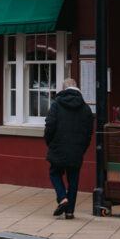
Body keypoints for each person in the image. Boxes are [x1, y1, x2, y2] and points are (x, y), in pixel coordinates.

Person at [44, 77, 93, 219]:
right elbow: (88, 133)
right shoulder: (85, 108)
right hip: (77, 149)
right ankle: (70, 211)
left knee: (54, 173)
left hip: (58, 146)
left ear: (63, 89)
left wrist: (50, 142)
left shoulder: (57, 104)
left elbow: (50, 126)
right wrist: (82, 148)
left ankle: (62, 198)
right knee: (73, 179)